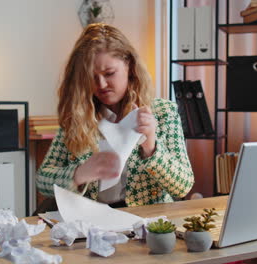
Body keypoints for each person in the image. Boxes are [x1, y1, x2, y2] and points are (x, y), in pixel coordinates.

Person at [36, 23, 194, 208]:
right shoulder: (78, 117)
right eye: (92, 77)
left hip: (147, 223)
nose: (101, 84)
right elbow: (42, 180)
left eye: (109, 73)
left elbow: (183, 187)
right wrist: (79, 174)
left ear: (129, 65)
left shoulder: (163, 113)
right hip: (91, 222)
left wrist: (151, 147)